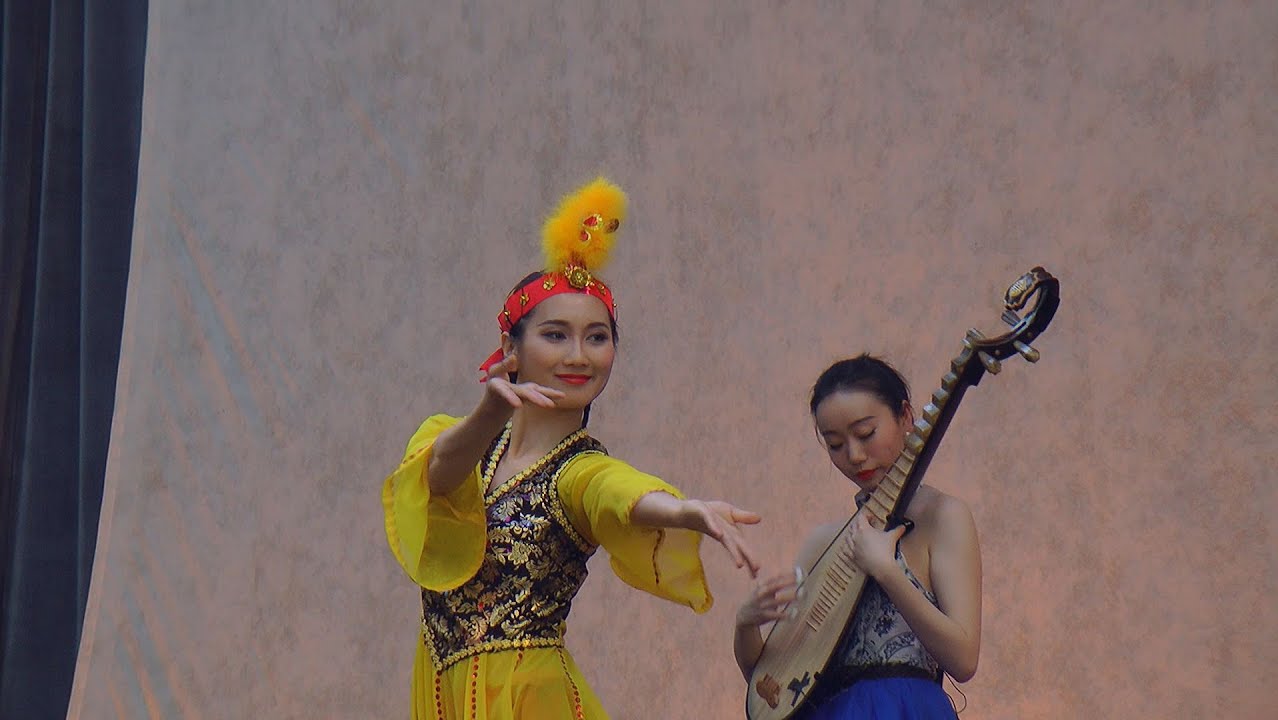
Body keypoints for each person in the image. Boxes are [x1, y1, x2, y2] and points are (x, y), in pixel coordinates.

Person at [382, 177, 762, 719]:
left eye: (597, 337)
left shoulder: (577, 472)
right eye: (556, 335)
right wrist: (492, 410)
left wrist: (683, 509)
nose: (579, 355)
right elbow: (438, 477)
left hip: (530, 701)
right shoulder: (460, 441)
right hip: (444, 692)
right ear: (511, 347)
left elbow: (616, 493)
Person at [733, 354, 981, 719]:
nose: (854, 455)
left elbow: (963, 659)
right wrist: (746, 624)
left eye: (866, 434)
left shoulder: (944, 517)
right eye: (834, 444)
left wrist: (887, 571)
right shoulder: (824, 543)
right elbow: (774, 691)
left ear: (906, 417)